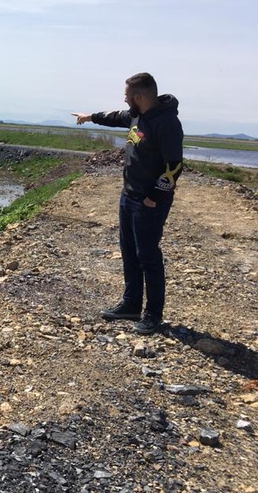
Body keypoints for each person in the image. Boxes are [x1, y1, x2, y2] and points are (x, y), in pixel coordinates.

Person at [72, 72, 184, 334]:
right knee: (129, 252)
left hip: (149, 202)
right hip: (129, 196)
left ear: (139, 96)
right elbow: (114, 118)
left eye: (126, 96)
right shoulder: (137, 115)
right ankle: (131, 304)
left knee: (148, 256)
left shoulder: (166, 123)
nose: (124, 100)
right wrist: (90, 116)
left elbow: (174, 166)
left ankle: (153, 314)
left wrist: (154, 197)